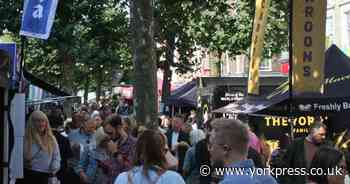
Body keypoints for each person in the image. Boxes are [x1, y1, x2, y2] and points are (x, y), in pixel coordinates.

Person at [209, 118, 277, 184]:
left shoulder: (228, 182)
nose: (210, 150)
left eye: (211, 145)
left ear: (225, 149)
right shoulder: (269, 179)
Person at [115, 130, 185, 184]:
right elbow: (174, 163)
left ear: (137, 150)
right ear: (163, 152)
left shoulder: (122, 178)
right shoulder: (174, 178)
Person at [16, 111, 61, 184]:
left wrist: (54, 167)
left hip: (45, 176)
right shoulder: (25, 138)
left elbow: (56, 156)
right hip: (27, 175)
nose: (41, 124)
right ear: (32, 123)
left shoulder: (51, 139)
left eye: (43, 121)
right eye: (38, 121)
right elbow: (18, 156)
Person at [101, 114, 137, 184]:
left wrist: (115, 153)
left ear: (119, 128)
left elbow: (129, 169)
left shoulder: (134, 144)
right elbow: (107, 170)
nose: (108, 136)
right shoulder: (111, 142)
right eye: (106, 133)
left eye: (110, 133)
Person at [48, 113, 73, 184]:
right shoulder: (64, 139)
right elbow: (68, 158)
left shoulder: (43, 139)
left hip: (45, 172)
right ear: (60, 125)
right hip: (61, 172)